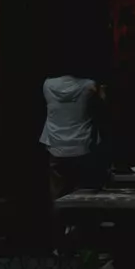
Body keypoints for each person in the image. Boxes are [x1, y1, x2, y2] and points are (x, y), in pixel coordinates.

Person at [40, 71, 103, 199]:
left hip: (56, 146)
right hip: (82, 146)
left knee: (58, 196)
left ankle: (60, 218)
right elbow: (103, 104)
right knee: (83, 196)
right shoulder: (88, 85)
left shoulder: (48, 85)